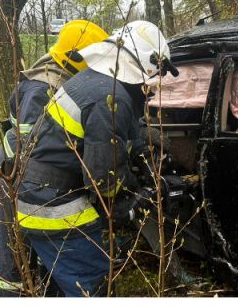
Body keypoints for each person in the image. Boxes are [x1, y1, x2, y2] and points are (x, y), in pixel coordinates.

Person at [15, 21, 177, 297]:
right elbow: (104, 180)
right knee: (93, 286)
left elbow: (105, 134)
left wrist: (141, 139)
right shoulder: (109, 97)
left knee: (59, 287)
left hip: (38, 196)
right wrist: (133, 201)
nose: (153, 85)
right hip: (56, 209)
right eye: (156, 74)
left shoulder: (95, 81)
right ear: (146, 65)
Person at [0, 20, 109, 296]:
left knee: (45, 253)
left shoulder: (60, 78)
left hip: (29, 180)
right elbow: (30, 150)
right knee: (14, 255)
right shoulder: (41, 88)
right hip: (18, 179)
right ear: (78, 57)